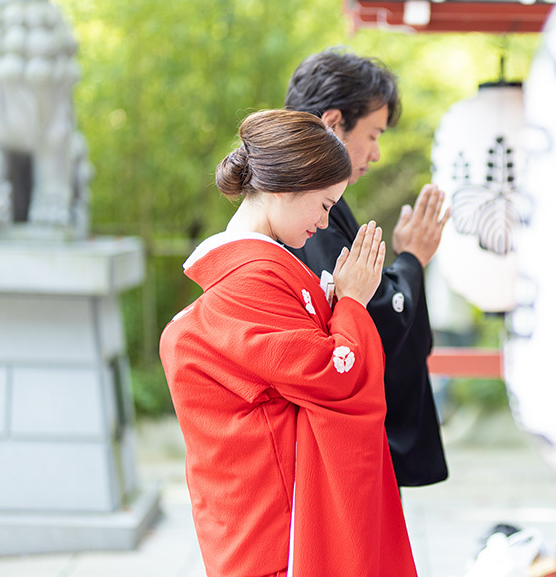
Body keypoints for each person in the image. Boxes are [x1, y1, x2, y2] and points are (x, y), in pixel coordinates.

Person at [159, 109, 418, 577]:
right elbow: (336, 376)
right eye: (323, 205)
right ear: (282, 187)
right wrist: (353, 304)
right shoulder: (251, 280)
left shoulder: (254, 274)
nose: (324, 223)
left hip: (257, 511)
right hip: (278, 526)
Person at [284, 48, 450, 487]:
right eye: (373, 134)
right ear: (334, 122)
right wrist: (412, 259)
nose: (376, 153)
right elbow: (367, 314)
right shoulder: (304, 209)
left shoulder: (304, 202)